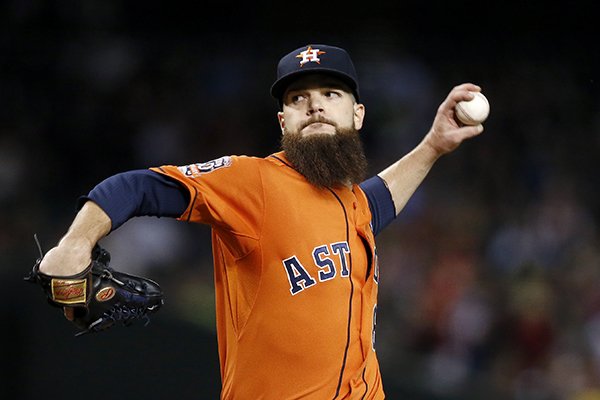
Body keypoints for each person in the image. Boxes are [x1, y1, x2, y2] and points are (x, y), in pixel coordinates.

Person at [38, 44, 484, 399]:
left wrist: (433, 145)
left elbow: (377, 202)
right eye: (298, 98)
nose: (314, 106)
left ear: (358, 114)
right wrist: (74, 243)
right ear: (283, 121)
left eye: (331, 94)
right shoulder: (254, 182)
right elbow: (136, 187)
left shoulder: (351, 202)